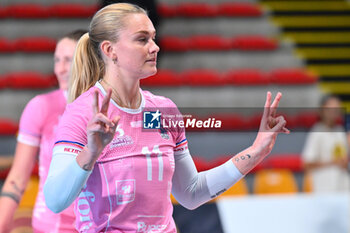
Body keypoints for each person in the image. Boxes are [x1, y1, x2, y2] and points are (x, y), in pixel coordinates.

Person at [44, 3, 288, 232]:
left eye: (153, 37)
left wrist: (256, 151)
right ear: (110, 50)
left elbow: (191, 193)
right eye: (142, 39)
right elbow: (55, 201)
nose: (155, 47)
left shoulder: (162, 111)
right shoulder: (82, 113)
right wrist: (91, 151)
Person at [0, 29, 86, 233]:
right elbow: (17, 178)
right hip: (50, 226)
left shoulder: (110, 107)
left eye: (68, 60)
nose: (61, 69)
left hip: (98, 225)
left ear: (88, 62)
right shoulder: (41, 106)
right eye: (57, 60)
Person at [302, 95, 350, 193]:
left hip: (343, 187)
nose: (334, 112)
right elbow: (307, 164)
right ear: (322, 110)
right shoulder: (316, 132)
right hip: (324, 188)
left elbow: (343, 158)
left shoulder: (340, 131)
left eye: (337, 108)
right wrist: (333, 162)